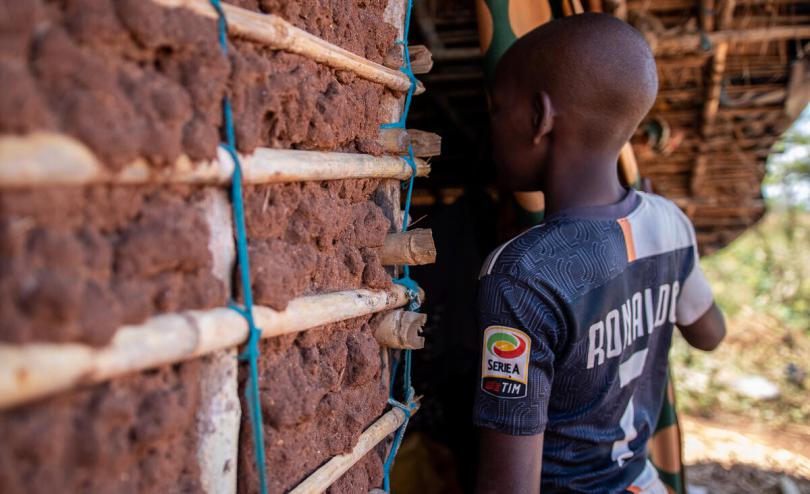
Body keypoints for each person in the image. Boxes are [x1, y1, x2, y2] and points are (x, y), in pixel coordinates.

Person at [472, 13, 726, 494]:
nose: (492, 125)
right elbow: (710, 334)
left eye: (496, 108)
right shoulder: (669, 223)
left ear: (538, 119)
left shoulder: (523, 274)